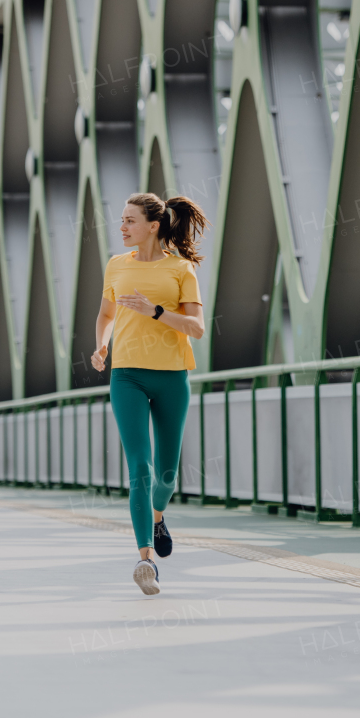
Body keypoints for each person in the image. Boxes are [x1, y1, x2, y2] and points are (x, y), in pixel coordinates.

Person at [92, 193, 209, 596]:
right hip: (127, 377)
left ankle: (158, 515)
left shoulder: (180, 270)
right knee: (139, 468)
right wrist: (102, 345)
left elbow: (197, 328)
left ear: (153, 225)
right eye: (121, 220)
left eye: (129, 220)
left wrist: (155, 311)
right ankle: (146, 560)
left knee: (167, 474)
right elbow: (106, 315)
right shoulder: (115, 266)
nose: (121, 227)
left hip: (172, 376)